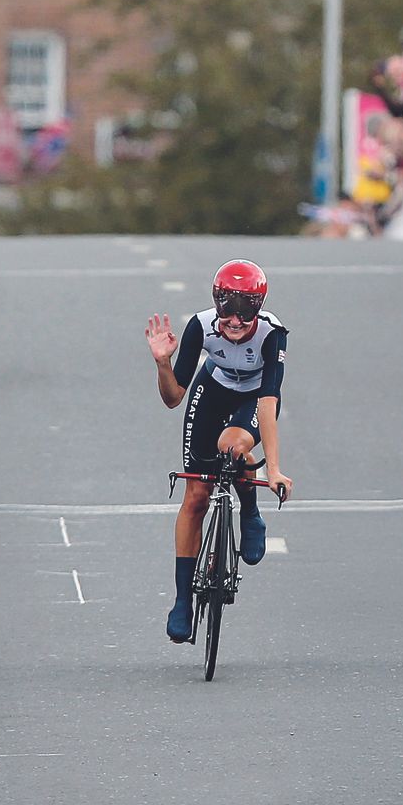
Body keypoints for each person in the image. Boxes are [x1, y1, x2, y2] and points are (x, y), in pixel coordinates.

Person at [144, 260, 293, 645]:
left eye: (247, 309)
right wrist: (163, 364)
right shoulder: (201, 325)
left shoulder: (272, 334)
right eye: (228, 307)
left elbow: (268, 403)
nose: (236, 319)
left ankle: (251, 513)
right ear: (216, 303)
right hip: (212, 390)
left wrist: (273, 470)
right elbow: (174, 398)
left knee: (232, 444)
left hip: (254, 399)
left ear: (259, 308)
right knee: (195, 496)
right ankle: (181, 601)